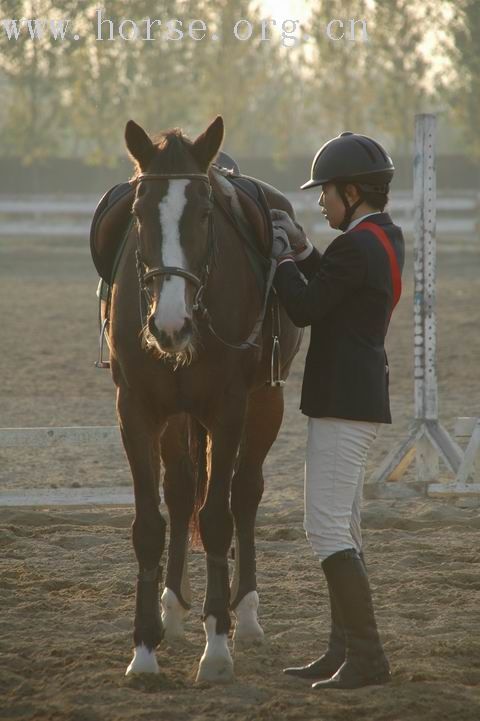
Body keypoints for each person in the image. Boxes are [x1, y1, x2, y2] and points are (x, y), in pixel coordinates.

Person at [270, 131, 404, 690]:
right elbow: (337, 284)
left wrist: (280, 260)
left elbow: (305, 308)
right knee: (341, 525)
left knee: (324, 528)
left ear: (352, 191)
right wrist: (305, 252)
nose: (319, 201)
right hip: (359, 397)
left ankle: (367, 658)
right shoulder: (383, 237)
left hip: (341, 402)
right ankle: (341, 650)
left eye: (325, 191)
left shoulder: (355, 246)